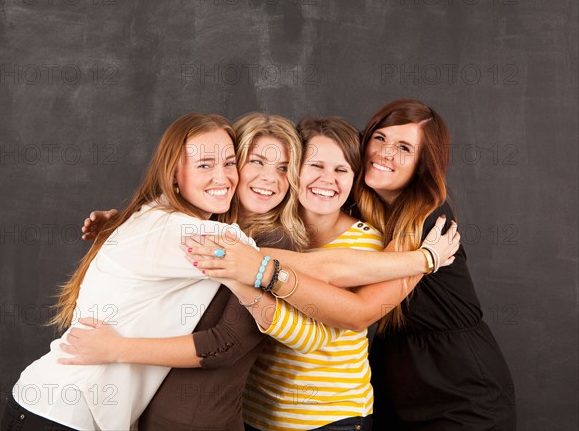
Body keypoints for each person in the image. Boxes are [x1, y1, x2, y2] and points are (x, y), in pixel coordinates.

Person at [62, 115, 460, 431]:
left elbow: (326, 312)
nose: (270, 176)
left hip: (321, 419)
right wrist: (120, 228)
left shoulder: (289, 242)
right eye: (314, 165)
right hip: (249, 411)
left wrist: (421, 260)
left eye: (341, 170)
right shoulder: (216, 222)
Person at [191, 99, 514, 430]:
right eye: (379, 138)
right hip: (394, 379)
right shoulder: (347, 207)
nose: (385, 153)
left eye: (404, 147)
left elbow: (355, 307)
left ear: (423, 162)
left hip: (457, 380)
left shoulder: (426, 220)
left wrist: (255, 264)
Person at [0, 113, 256, 431]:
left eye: (230, 163)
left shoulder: (159, 220)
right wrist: (338, 263)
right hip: (60, 414)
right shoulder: (172, 229)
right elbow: (256, 260)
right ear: (174, 173)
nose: (223, 177)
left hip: (51, 408)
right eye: (204, 164)